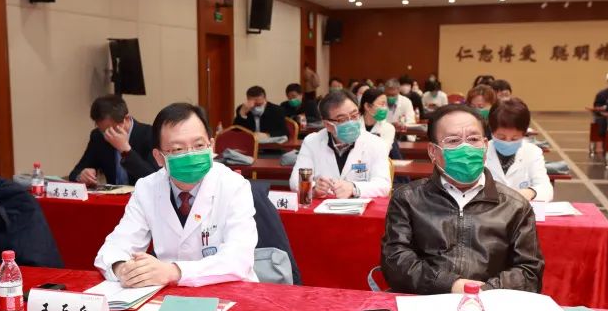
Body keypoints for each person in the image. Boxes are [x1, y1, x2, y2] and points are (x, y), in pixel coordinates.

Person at [381, 104, 544, 294]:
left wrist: (483, 291)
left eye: (473, 139)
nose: (466, 148)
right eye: (453, 141)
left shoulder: (515, 206)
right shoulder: (408, 199)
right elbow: (395, 261)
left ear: (485, 146)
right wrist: (450, 285)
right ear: (433, 151)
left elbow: (529, 272)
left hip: (489, 304)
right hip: (425, 300)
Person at [95, 103, 258, 287]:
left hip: (229, 290)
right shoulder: (147, 188)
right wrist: (123, 269)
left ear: (211, 146)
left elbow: (239, 259)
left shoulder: (234, 185)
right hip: (169, 294)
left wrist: (174, 271)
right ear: (159, 157)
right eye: (178, 149)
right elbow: (115, 246)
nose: (191, 155)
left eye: (199, 145)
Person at [288, 90, 391, 198]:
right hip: (323, 205)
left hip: (360, 206)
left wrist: (353, 188)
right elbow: (295, 181)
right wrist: (313, 188)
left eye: (354, 116)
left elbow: (383, 185)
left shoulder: (376, 143)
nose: (351, 123)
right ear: (327, 125)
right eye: (342, 119)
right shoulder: (312, 142)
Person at [69, 95, 158, 187]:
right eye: (102, 130)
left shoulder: (150, 134)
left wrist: (126, 150)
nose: (107, 135)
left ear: (126, 119)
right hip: (113, 195)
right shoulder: (98, 136)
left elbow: (154, 178)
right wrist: (81, 176)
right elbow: (74, 173)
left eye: (110, 129)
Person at [486, 98, 552, 201]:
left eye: (514, 138)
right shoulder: (481, 152)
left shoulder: (532, 152)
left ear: (524, 133)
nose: (507, 142)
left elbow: (546, 190)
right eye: (501, 137)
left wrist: (531, 192)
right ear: (491, 131)